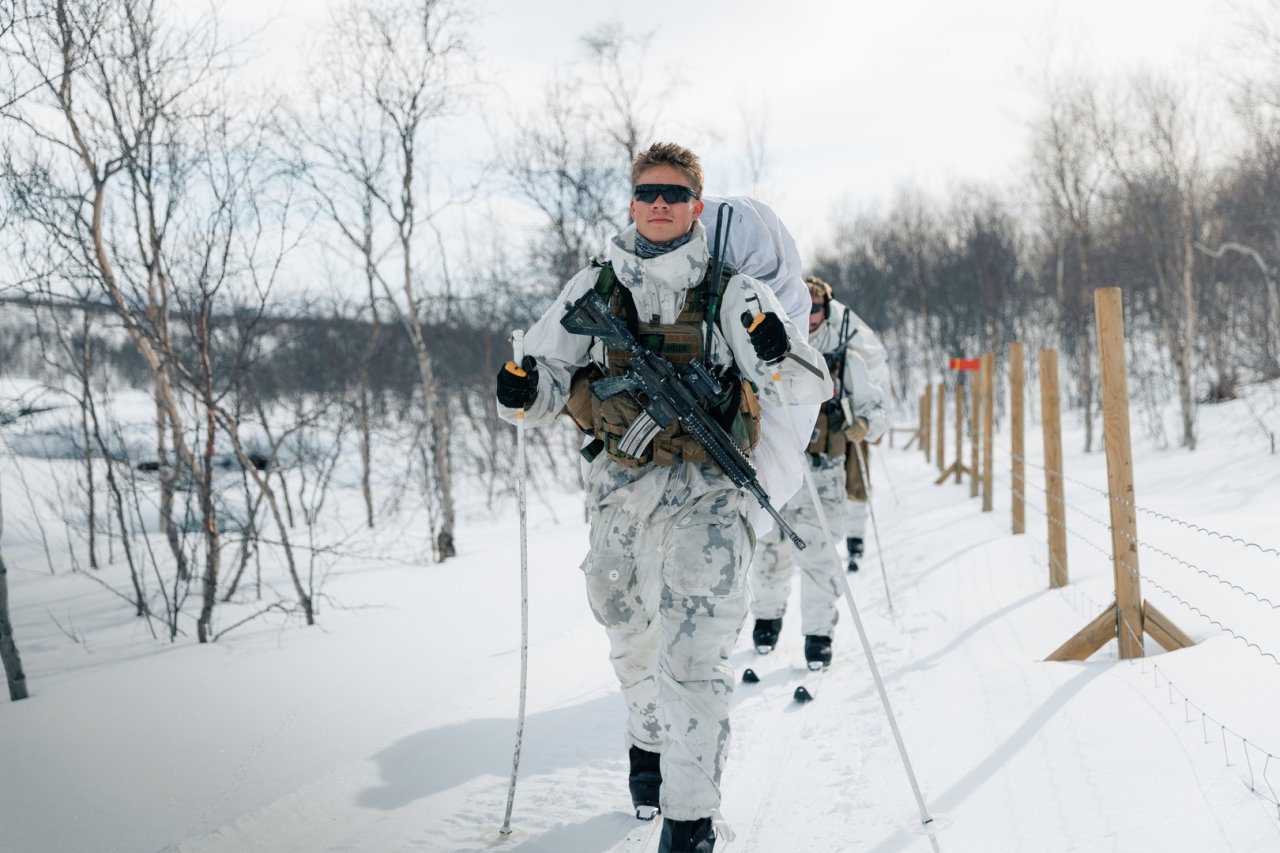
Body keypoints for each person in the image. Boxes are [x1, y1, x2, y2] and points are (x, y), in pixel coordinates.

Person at [495, 142, 831, 853]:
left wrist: (774, 349)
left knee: (695, 653)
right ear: (631, 202)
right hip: (619, 489)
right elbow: (547, 373)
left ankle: (690, 817)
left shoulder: (733, 290)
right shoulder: (594, 288)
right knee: (626, 626)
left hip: (707, 492)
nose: (658, 204)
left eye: (674, 195)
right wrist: (521, 391)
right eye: (647, 192)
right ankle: (645, 740)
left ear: (695, 209)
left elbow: (807, 386)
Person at [747, 276, 888, 668]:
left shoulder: (846, 357)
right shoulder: (765, 346)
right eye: (804, 308)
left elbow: (878, 411)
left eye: (818, 309)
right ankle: (767, 620)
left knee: (820, 555)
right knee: (769, 549)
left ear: (827, 311)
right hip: (774, 467)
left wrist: (862, 425)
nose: (810, 318)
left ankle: (818, 635)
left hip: (823, 470)